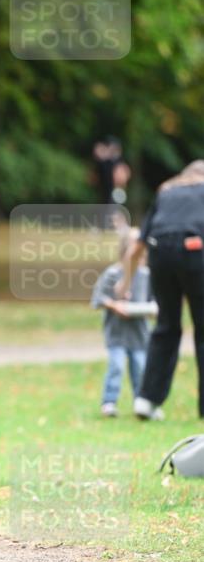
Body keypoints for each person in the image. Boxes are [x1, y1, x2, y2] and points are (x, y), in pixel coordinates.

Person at [117, 160, 204, 420]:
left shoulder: (166, 192)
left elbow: (137, 247)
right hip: (195, 250)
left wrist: (125, 283)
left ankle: (146, 399)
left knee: (166, 324)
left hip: (160, 255)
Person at [91, 228, 158, 417]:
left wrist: (152, 310)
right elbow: (98, 298)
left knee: (141, 368)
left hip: (139, 334)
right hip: (117, 334)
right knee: (116, 367)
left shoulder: (146, 275)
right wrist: (114, 305)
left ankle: (141, 402)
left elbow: (154, 301)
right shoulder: (113, 273)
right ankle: (109, 402)